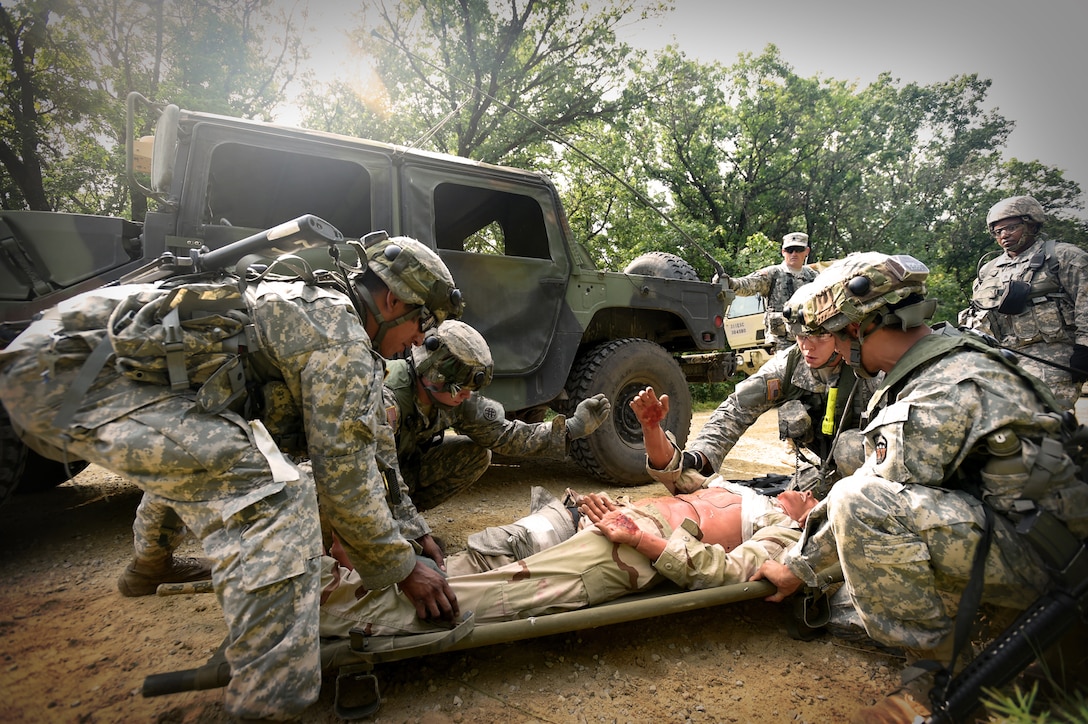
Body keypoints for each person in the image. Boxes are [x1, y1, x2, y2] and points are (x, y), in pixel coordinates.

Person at [0, 231, 465, 721]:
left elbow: (374, 446)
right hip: (67, 377)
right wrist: (400, 567)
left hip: (51, 361)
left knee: (207, 457)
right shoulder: (337, 335)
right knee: (278, 497)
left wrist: (410, 531)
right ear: (393, 299)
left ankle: (149, 567)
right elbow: (343, 474)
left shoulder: (322, 307)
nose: (418, 341)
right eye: (422, 323)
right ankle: (269, 702)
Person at [751, 252, 1088, 723]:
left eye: (831, 334)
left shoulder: (944, 385)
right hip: (1045, 537)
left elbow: (876, 488)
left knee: (859, 503)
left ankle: (933, 681)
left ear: (858, 329)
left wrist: (796, 568)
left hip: (1047, 562)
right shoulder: (951, 354)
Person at [317, 479, 818, 639]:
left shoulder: (786, 533)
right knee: (477, 557)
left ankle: (338, 611)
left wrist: (639, 538)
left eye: (815, 496)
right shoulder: (744, 487)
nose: (805, 491)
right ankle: (353, 577)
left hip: (631, 552)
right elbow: (673, 471)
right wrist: (621, 512)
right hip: (614, 523)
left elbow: (725, 574)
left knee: (487, 595)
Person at [383, 319, 612, 511]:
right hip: (369, 478)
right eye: (461, 388)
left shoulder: (458, 401)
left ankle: (406, 520)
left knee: (477, 455)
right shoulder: (385, 398)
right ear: (434, 375)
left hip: (402, 472)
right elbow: (365, 474)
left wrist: (571, 428)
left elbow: (507, 436)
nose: (466, 395)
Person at [646, 330, 879, 500]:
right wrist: (699, 456)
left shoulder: (870, 363)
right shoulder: (788, 366)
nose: (808, 346)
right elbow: (736, 410)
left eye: (820, 336)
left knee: (849, 449)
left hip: (879, 464)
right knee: (792, 500)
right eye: (801, 336)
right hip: (827, 466)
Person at [959, 195, 1088, 409]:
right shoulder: (989, 270)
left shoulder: (1064, 257)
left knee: (1045, 419)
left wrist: (1085, 349)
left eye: (1010, 228)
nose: (1004, 235)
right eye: (997, 231)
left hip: (1052, 355)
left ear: (1032, 224)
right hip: (1003, 357)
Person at [726, 231, 818, 350]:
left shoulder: (814, 277)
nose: (794, 253)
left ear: (806, 251)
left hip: (810, 338)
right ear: (783, 252)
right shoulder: (773, 274)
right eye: (790, 250)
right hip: (783, 342)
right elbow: (749, 284)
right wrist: (731, 283)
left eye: (798, 249)